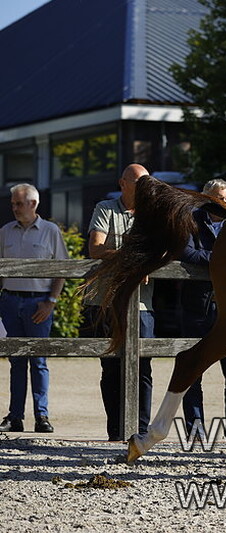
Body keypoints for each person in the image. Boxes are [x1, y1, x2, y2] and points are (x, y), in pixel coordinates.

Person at [83, 163, 154, 441]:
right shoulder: (105, 208)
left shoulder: (154, 215)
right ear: (123, 183)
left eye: (148, 182)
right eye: (139, 182)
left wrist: (145, 262)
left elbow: (163, 251)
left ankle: (142, 431)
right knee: (111, 366)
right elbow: (95, 248)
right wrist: (131, 260)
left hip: (142, 305)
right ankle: (116, 432)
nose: (146, 188)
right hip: (108, 300)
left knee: (143, 367)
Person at [0, 184, 68, 433]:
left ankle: (42, 416)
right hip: (10, 301)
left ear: (34, 204)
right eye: (13, 203)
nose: (14, 208)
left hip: (38, 303)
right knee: (16, 362)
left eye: (19, 203)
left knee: (38, 361)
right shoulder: (5, 232)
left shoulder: (50, 231)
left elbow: (63, 269)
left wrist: (51, 301)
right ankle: (15, 417)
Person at [180, 179, 226, 437]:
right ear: (206, 198)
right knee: (193, 371)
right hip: (197, 306)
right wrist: (220, 260)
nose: (224, 203)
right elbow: (186, 253)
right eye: (220, 198)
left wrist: (216, 260)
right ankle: (196, 429)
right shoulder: (190, 220)